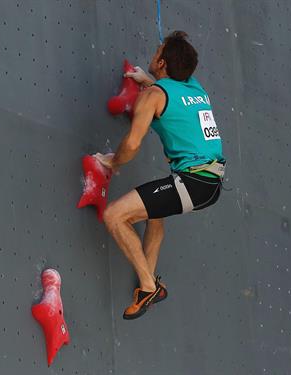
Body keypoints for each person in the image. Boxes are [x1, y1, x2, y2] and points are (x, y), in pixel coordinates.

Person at [95, 31, 225, 320]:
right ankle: (149, 280)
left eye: (157, 51)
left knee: (114, 216)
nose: (153, 54)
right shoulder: (194, 87)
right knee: (155, 213)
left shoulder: (153, 96)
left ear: (162, 61)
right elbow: (173, 99)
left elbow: (132, 144)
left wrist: (113, 163)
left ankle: (148, 286)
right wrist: (149, 80)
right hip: (209, 183)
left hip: (193, 181)